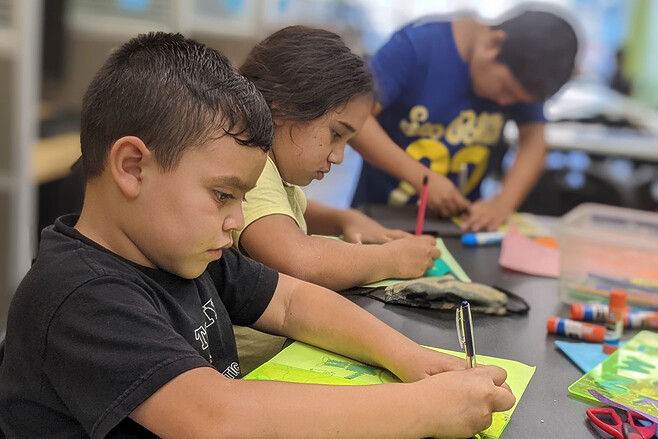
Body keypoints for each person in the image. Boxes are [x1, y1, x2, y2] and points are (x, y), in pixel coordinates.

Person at [0, 32, 514, 438]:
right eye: (223, 195)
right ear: (133, 166)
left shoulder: (184, 252)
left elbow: (292, 302)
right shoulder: (78, 294)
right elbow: (216, 419)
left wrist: (411, 357)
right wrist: (425, 409)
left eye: (243, 198)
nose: (237, 218)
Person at [236, 26, 441, 292]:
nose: (339, 156)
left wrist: (343, 219)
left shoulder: (271, 169)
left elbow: (277, 211)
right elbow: (300, 259)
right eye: (335, 134)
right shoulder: (251, 168)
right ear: (284, 106)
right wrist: (392, 259)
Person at [350, 6, 579, 231]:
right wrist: (420, 177)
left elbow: (534, 142)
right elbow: (352, 117)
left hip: (457, 226)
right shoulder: (415, 47)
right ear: (493, 44)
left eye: (518, 100)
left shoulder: (525, 71)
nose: (506, 103)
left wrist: (503, 203)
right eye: (505, 90)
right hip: (378, 218)